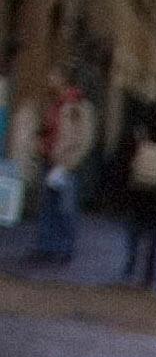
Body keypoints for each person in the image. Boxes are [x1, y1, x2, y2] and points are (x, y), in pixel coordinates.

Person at [29, 84, 94, 264]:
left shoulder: (80, 105)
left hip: (67, 164)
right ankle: (46, 246)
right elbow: (44, 127)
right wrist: (39, 144)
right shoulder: (52, 103)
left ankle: (65, 248)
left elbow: (85, 138)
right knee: (47, 206)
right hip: (49, 160)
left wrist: (71, 161)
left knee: (66, 208)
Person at [117, 109, 156, 286]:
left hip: (138, 188)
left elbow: (125, 160)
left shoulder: (139, 135)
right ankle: (149, 272)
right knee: (154, 235)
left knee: (134, 231)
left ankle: (130, 266)